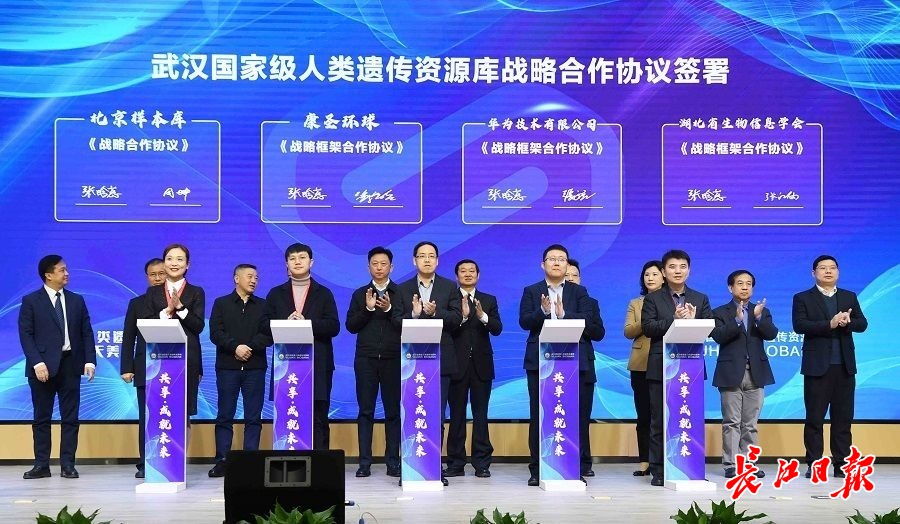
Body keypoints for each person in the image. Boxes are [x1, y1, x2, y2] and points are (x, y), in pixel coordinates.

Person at [519, 244, 593, 487]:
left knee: (571, 415)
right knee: (539, 415)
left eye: (562, 259)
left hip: (572, 360)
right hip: (539, 361)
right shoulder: (531, 291)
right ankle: (537, 469)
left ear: (567, 264)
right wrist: (542, 311)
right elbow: (524, 322)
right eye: (552, 259)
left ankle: (572, 467)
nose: (557, 262)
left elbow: (587, 320)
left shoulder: (579, 292)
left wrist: (563, 315)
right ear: (543, 264)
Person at [20, 255, 96, 479]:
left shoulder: (76, 300)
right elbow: (26, 335)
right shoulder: (31, 301)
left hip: (70, 364)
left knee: (70, 418)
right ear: (48, 275)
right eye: (62, 270)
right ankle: (41, 465)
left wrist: (90, 360)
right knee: (41, 418)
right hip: (41, 368)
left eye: (66, 269)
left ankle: (68, 465)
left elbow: (86, 332)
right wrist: (37, 362)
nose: (67, 273)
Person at [641, 249, 712, 487]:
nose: (677, 271)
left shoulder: (700, 298)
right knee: (660, 419)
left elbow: (710, 328)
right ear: (663, 271)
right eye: (672, 267)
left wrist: (693, 322)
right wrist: (675, 320)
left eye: (682, 267)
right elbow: (649, 328)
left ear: (689, 270)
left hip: (691, 368)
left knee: (690, 418)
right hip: (661, 366)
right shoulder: (653, 298)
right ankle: (659, 469)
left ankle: (691, 466)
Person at [792, 255, 868, 479]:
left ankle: (841, 464)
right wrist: (830, 324)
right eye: (823, 268)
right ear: (813, 273)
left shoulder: (848, 296)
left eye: (832, 268)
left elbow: (863, 323)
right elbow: (799, 325)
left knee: (843, 420)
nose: (828, 271)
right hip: (817, 368)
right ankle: (814, 464)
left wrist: (848, 322)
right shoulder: (802, 297)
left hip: (845, 367)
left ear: (838, 272)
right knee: (814, 419)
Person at [397, 241, 462, 486]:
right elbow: (395, 321)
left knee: (436, 416)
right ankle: (410, 467)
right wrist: (414, 315)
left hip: (440, 360)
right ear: (414, 260)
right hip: (410, 363)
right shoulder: (402, 289)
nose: (427, 260)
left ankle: (434, 466)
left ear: (437, 260)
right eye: (422, 256)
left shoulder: (449, 287)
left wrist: (435, 313)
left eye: (431, 256)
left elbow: (456, 319)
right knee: (411, 414)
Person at [265, 242, 340, 450]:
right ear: (286, 264)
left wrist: (307, 324)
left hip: (318, 365)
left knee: (318, 416)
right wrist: (285, 324)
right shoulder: (275, 294)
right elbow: (263, 326)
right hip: (285, 366)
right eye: (292, 258)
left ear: (311, 262)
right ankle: (287, 461)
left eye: (302, 257)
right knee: (287, 413)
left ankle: (320, 463)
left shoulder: (323, 293)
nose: (297, 262)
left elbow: (333, 326)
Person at [709, 270, 777, 479]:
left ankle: (749, 463)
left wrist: (758, 317)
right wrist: (737, 321)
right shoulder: (719, 312)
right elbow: (718, 336)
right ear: (730, 287)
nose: (745, 287)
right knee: (731, 421)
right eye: (740, 283)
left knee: (750, 423)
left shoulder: (761, 310)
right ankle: (731, 464)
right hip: (730, 372)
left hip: (756, 373)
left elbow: (771, 334)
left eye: (749, 283)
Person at [208, 264, 272, 477]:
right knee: (224, 416)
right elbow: (216, 333)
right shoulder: (221, 303)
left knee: (253, 417)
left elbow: (268, 334)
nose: (254, 281)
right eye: (249, 276)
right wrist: (235, 347)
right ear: (236, 278)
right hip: (228, 367)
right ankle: (222, 460)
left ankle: (250, 461)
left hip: (255, 367)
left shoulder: (264, 305)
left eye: (256, 277)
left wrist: (249, 348)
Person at [345, 247, 404, 478]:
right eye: (375, 264)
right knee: (365, 411)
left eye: (383, 264)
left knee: (393, 412)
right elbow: (351, 326)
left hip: (393, 358)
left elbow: (404, 324)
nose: (379, 268)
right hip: (366, 360)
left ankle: (393, 463)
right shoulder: (360, 294)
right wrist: (368, 309)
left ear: (391, 267)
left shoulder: (401, 292)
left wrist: (389, 309)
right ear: (368, 267)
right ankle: (364, 463)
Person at [445, 259, 503, 478]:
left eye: (472, 271)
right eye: (463, 271)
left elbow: (497, 328)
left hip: (482, 365)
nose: (467, 274)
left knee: (481, 415)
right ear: (457, 275)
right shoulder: (449, 299)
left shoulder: (488, 299)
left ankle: (482, 463)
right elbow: (445, 326)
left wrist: (482, 316)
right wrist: (462, 317)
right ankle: (455, 463)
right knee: (456, 415)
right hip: (456, 364)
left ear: (478, 275)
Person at [144, 244, 205, 426]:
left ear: (187, 265)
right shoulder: (153, 292)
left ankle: (183, 446)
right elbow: (147, 322)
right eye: (170, 259)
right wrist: (166, 311)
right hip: (158, 359)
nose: (174, 263)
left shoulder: (196, 292)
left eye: (180, 259)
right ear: (164, 263)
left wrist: (179, 307)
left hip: (187, 358)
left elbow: (198, 326)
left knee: (183, 412)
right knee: (158, 410)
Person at [120, 257, 166, 479]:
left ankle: (169, 461)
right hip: (144, 367)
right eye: (153, 275)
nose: (157, 278)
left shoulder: (179, 302)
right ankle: (145, 463)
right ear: (147, 277)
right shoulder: (137, 303)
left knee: (171, 416)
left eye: (161, 273)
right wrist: (126, 367)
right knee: (146, 417)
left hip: (173, 368)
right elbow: (128, 337)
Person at [563, 259, 606, 478]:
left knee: (581, 416)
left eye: (575, 275)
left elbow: (599, 333)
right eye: (567, 275)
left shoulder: (590, 302)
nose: (571, 279)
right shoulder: (548, 300)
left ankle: (583, 461)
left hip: (583, 364)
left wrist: (574, 319)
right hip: (554, 364)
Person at [623, 260, 663, 477]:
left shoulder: (671, 302)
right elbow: (628, 331)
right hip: (641, 364)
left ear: (663, 276)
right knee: (644, 414)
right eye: (647, 274)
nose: (650, 278)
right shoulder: (636, 303)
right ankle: (645, 460)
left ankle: (665, 459)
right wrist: (647, 318)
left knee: (664, 413)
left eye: (655, 274)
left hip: (667, 362)